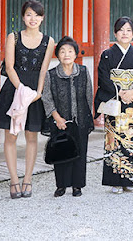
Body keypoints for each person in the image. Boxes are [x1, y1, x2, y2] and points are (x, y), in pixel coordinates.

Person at [0, 0, 55, 198]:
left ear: (42, 18)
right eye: (29, 14)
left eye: (37, 15)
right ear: (23, 17)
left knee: (31, 136)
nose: (32, 18)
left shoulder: (49, 41)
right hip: (15, 89)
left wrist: (37, 93)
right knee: (11, 135)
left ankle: (28, 179)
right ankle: (13, 179)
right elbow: (9, 67)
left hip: (35, 92)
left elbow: (44, 69)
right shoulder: (14, 37)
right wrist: (22, 91)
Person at [94, 16, 133, 194]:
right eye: (121, 30)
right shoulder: (108, 54)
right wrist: (119, 92)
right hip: (115, 102)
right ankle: (115, 181)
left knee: (132, 140)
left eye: (128, 30)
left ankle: (131, 179)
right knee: (114, 141)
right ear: (115, 33)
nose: (124, 33)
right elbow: (103, 77)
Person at [41, 36, 94, 197]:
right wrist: (56, 117)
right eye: (62, 51)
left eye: (70, 51)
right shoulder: (51, 75)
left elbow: (89, 95)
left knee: (80, 152)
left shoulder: (83, 72)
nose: (66, 54)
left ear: (75, 53)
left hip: (80, 120)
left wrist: (85, 116)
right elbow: (46, 97)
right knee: (61, 153)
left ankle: (77, 185)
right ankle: (61, 185)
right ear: (57, 54)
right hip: (60, 122)